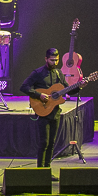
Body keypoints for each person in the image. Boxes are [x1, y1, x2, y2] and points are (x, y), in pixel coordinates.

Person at [19, 48, 80, 177]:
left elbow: (67, 90)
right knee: (44, 142)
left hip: (55, 112)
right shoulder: (38, 73)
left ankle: (47, 171)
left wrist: (79, 86)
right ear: (46, 59)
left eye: (57, 60)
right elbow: (24, 87)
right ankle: (39, 172)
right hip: (43, 112)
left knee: (51, 143)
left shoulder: (59, 73)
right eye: (52, 60)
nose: (55, 62)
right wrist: (39, 95)